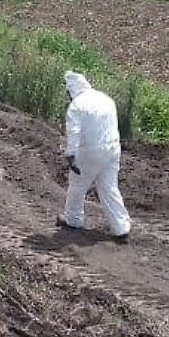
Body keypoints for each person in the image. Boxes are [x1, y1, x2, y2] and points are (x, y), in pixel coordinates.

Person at [56, 70, 130, 242]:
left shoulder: (77, 106)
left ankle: (73, 220)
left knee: (77, 186)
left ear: (71, 90)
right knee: (109, 187)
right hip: (112, 149)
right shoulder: (105, 98)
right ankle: (121, 228)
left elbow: (73, 132)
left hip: (90, 152)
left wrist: (71, 155)